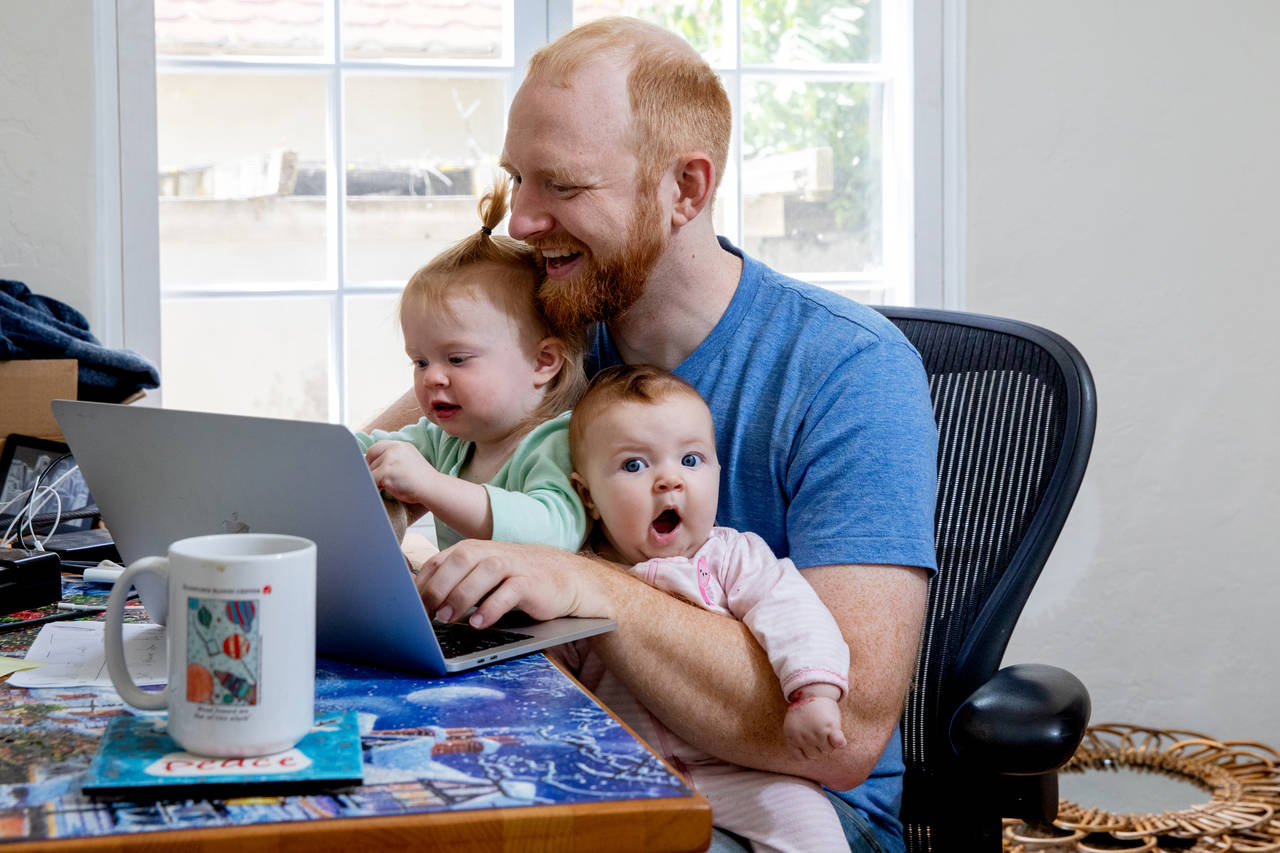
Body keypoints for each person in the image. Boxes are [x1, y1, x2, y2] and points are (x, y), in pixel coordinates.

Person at [373, 17, 938, 852]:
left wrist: (586, 585)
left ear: (686, 188)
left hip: (790, 808)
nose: (523, 221)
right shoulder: (550, 334)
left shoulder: (849, 371)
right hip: (570, 754)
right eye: (517, 179)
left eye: (562, 186)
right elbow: (373, 462)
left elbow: (846, 736)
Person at [563, 363, 851, 852]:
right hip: (628, 776)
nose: (669, 481)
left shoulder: (733, 557)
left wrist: (814, 694)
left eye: (692, 460)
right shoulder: (579, 578)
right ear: (587, 495)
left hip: (746, 773)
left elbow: (795, 615)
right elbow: (552, 674)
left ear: (718, 472)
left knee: (813, 831)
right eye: (635, 465)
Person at [355, 180, 588, 556]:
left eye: (457, 359)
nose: (432, 377)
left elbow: (554, 531)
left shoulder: (559, 440)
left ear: (543, 362)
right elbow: (369, 452)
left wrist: (429, 484)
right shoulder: (445, 438)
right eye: (420, 361)